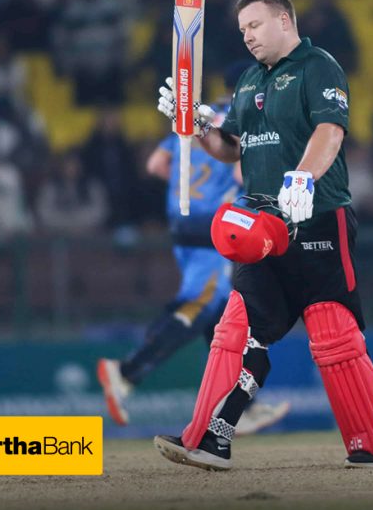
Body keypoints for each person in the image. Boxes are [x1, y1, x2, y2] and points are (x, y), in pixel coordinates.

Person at [153, 0, 373, 470]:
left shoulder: (318, 66)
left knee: (333, 338)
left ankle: (368, 440)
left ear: (284, 20)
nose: (247, 36)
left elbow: (330, 130)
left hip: (319, 216)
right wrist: (197, 127)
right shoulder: (248, 81)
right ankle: (205, 438)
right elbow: (231, 148)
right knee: (234, 331)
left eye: (255, 25)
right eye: (243, 29)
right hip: (261, 225)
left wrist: (303, 177)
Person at [96, 92, 290, 435]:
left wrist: (187, 186)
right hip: (214, 227)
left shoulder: (197, 120)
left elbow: (156, 165)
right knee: (202, 303)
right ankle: (127, 371)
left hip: (181, 223)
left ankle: (239, 406)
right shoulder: (242, 119)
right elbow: (243, 175)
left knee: (220, 317)